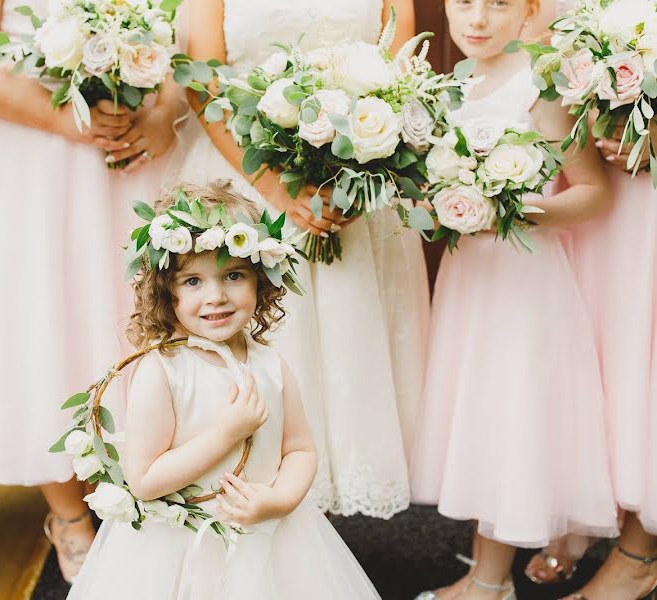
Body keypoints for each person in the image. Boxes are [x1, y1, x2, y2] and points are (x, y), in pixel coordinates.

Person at [0, 0, 180, 583]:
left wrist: (165, 111)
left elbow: (182, 36)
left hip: (132, 152)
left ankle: (143, 488)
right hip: (27, 159)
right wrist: (60, 119)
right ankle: (68, 515)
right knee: (41, 325)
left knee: (132, 319)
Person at [168, 0, 428, 521]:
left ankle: (320, 520)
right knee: (265, 344)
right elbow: (204, 83)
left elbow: (407, 78)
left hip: (358, 186)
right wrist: (275, 189)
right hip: (247, 181)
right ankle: (244, 492)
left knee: (351, 348)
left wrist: (361, 183)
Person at [68, 180, 382, 599]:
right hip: (178, 549)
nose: (216, 296)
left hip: (268, 536)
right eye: (193, 281)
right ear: (167, 291)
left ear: (261, 281)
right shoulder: (164, 370)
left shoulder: (271, 366)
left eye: (234, 275)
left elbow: (300, 450)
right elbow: (144, 479)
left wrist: (280, 501)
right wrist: (226, 434)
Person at [409, 0, 618, 598]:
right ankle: (483, 575)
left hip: (523, 280)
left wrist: (512, 209)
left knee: (507, 417)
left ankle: (488, 583)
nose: (476, 19)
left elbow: (592, 194)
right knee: (480, 418)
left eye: (498, 4)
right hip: (469, 279)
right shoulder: (448, 87)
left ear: (529, 10)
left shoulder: (538, 86)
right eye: (464, 2)